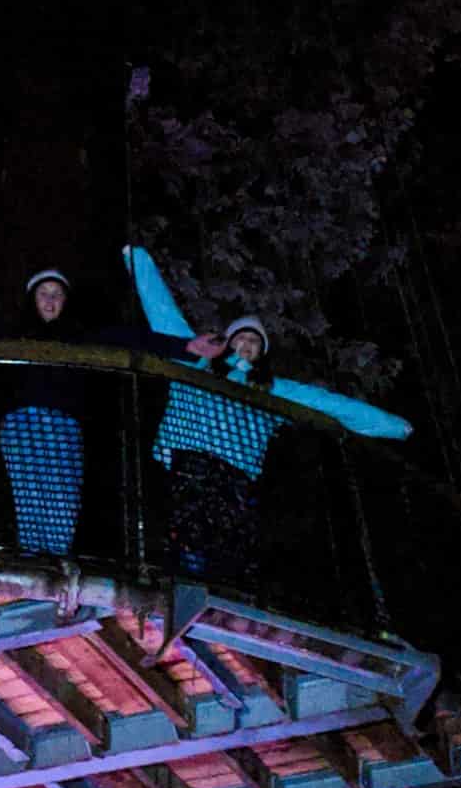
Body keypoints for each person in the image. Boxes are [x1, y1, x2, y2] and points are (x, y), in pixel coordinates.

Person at [125, 246, 410, 587]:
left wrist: (392, 426)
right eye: (240, 337)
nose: (246, 345)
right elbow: (164, 315)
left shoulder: (271, 388)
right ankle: (182, 582)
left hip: (236, 475)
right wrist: (137, 258)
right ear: (227, 341)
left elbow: (330, 404)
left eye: (254, 342)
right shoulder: (198, 362)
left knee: (230, 546)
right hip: (189, 462)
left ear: (262, 352)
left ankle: (222, 593)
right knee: (188, 533)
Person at [0, 269, 224, 555]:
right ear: (33, 298)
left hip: (64, 425)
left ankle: (55, 561)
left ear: (66, 301)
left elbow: (129, 338)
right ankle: (30, 559)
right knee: (29, 494)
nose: (50, 300)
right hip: (22, 422)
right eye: (44, 293)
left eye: (57, 294)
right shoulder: (15, 331)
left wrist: (187, 347)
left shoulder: (79, 333)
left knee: (62, 498)